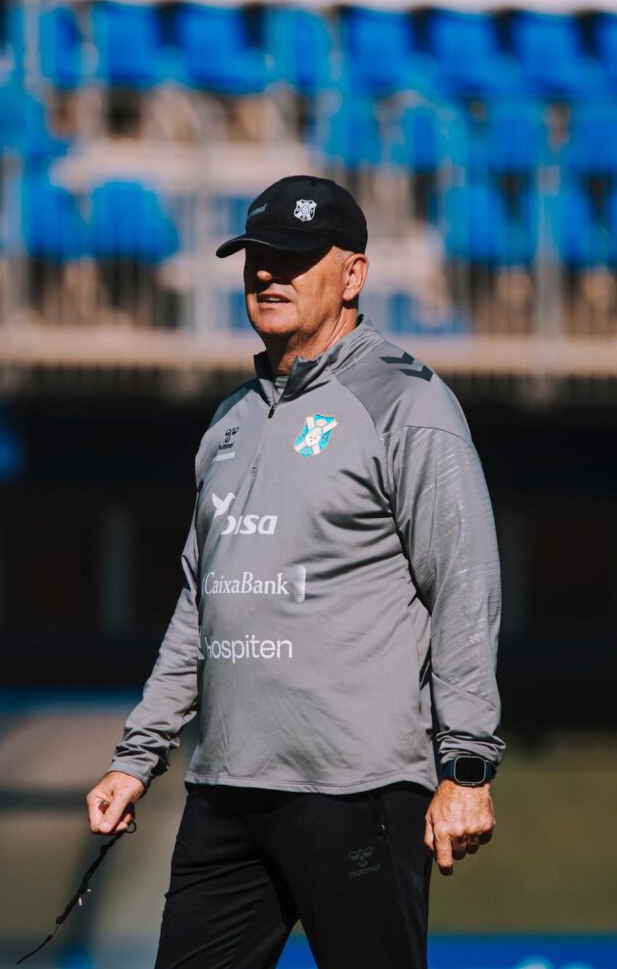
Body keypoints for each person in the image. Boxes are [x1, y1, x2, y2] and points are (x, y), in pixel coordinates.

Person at [87, 175, 504, 968]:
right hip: (226, 791)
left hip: (357, 793)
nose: (267, 274)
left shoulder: (406, 404)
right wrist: (137, 756)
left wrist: (466, 767)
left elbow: (464, 586)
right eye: (255, 258)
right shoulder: (229, 422)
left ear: (353, 275)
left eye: (293, 258)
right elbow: (199, 604)